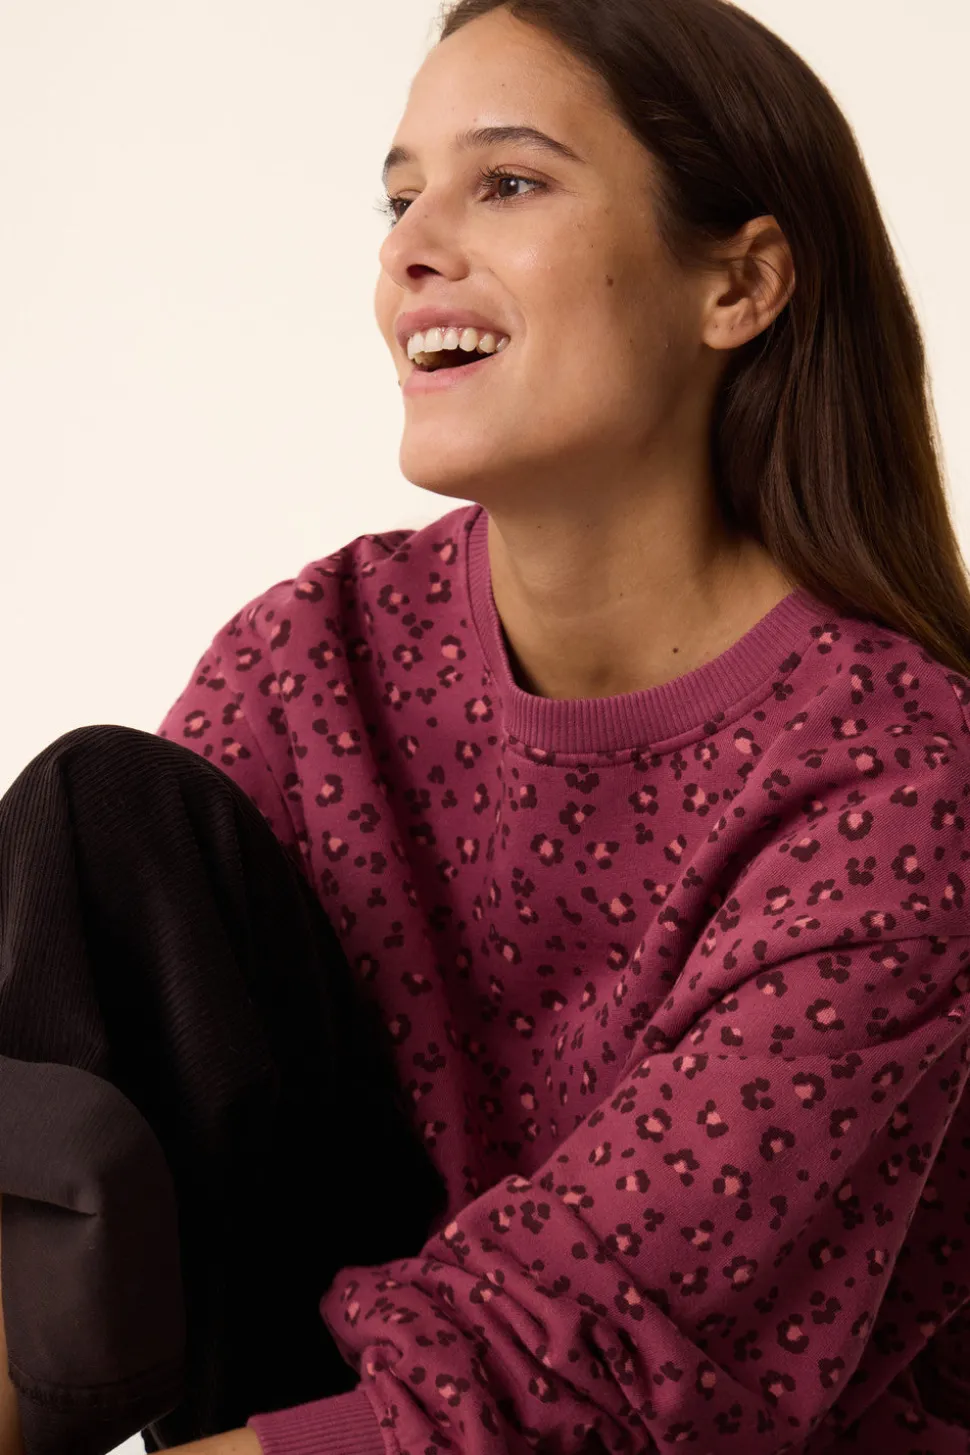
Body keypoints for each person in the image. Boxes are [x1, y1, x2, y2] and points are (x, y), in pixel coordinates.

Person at [3, 0, 970, 1452]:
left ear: (739, 284)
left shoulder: (904, 776)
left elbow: (615, 1360)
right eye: (399, 198)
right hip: (322, 1398)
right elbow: (87, 1118)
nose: (411, 247)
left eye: (506, 182)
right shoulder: (315, 653)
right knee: (104, 816)